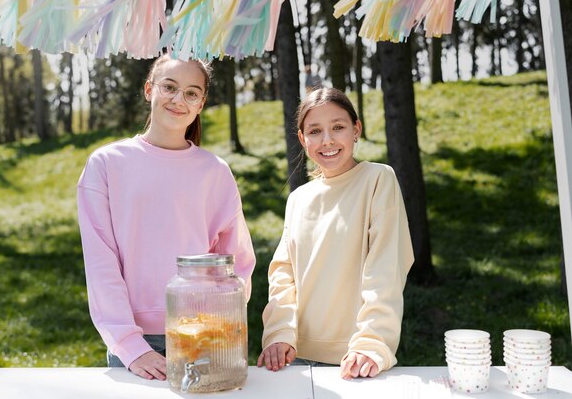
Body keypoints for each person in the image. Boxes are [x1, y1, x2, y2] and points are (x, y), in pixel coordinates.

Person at [77, 54, 256, 381]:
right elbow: (101, 261)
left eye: (191, 93)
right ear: (149, 90)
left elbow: (236, 263)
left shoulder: (215, 171)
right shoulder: (106, 164)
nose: (179, 100)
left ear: (201, 104)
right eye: (169, 87)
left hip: (203, 336)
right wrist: (129, 344)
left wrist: (214, 326)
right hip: (136, 343)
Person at [257, 87, 413, 379]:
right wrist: (279, 334)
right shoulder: (298, 199)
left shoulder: (378, 179)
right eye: (315, 131)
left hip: (356, 359)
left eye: (338, 127)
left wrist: (372, 344)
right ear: (303, 140)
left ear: (356, 129)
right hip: (295, 359)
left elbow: (386, 269)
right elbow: (283, 275)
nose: (327, 140)